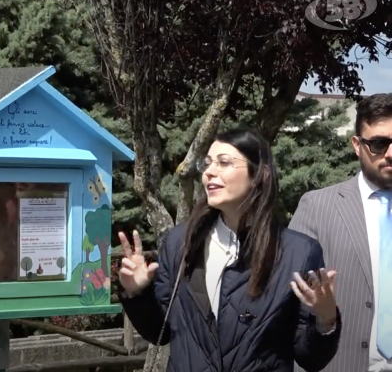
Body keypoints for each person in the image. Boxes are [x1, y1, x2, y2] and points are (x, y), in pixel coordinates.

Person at [118, 129, 341, 372]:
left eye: (224, 162)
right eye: (208, 163)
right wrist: (138, 292)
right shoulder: (180, 243)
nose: (209, 172)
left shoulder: (298, 252)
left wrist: (325, 319)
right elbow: (159, 333)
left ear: (259, 174)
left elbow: (310, 359)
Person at [289, 93, 392, 372]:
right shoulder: (317, 206)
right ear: (357, 146)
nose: (390, 153)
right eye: (380, 144)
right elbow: (289, 303)